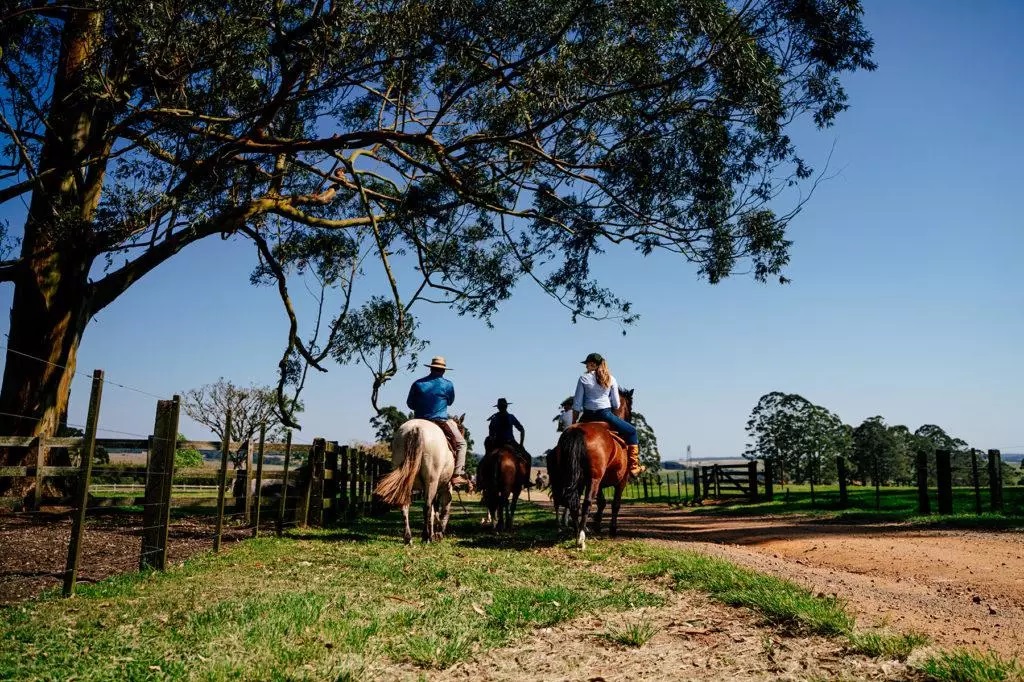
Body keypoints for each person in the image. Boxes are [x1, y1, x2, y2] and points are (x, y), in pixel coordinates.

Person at [572, 352, 643, 478]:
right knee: (632, 431)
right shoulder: (611, 379)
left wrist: (574, 422)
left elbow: (577, 404)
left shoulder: (583, 378)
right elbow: (616, 404)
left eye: (587, 364)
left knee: (570, 436)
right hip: (605, 415)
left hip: (587, 416)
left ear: (592, 364)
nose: (586, 367)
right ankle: (634, 467)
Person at [406, 355, 469, 489]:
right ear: (443, 370)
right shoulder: (448, 385)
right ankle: (457, 475)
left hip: (418, 419)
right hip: (440, 420)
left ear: (431, 369)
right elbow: (450, 402)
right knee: (462, 444)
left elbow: (410, 404)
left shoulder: (417, 383)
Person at [486, 398, 531, 475]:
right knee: (527, 457)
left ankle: (481, 480)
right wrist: (521, 444)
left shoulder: (494, 418)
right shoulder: (511, 417)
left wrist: (492, 439)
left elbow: (491, 432)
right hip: (510, 442)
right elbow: (522, 430)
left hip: (497, 443)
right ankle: (527, 481)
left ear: (498, 407)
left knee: (485, 460)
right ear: (506, 407)